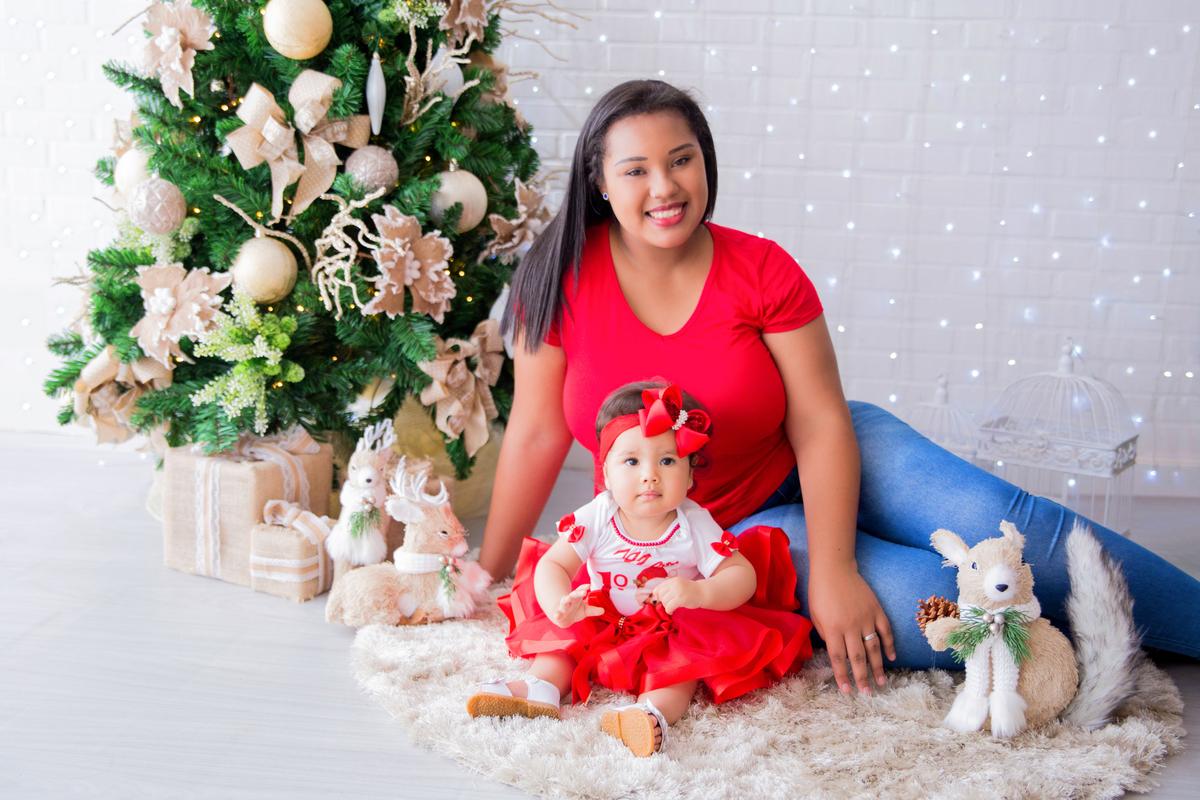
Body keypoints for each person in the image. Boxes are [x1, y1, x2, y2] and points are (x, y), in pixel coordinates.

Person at [478, 79, 1200, 699]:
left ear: (706, 163)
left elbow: (821, 423)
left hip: (824, 446)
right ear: (600, 181)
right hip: (731, 533)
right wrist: (491, 570)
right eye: (635, 170)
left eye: (681, 161)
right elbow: (538, 430)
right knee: (939, 605)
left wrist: (833, 568)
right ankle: (1084, 645)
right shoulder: (557, 279)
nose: (664, 188)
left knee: (995, 518)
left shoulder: (763, 268)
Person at [468, 381, 811, 756]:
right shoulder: (599, 515)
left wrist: (698, 592)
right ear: (607, 474)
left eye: (667, 460)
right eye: (632, 461)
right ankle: (541, 687)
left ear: (691, 472)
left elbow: (741, 575)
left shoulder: (693, 524)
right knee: (562, 636)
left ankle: (650, 712)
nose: (650, 475)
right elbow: (554, 563)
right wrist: (559, 606)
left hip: (669, 624)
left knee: (682, 664)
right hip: (601, 612)